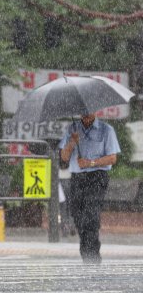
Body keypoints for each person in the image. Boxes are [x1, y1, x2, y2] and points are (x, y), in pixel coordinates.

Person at [59, 112, 120, 264]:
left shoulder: (106, 130)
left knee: (91, 216)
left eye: (89, 110)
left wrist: (91, 163)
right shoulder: (72, 128)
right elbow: (64, 157)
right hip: (77, 178)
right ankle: (87, 251)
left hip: (97, 177)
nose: (86, 114)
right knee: (78, 216)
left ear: (95, 112)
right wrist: (72, 142)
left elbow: (112, 158)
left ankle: (92, 256)